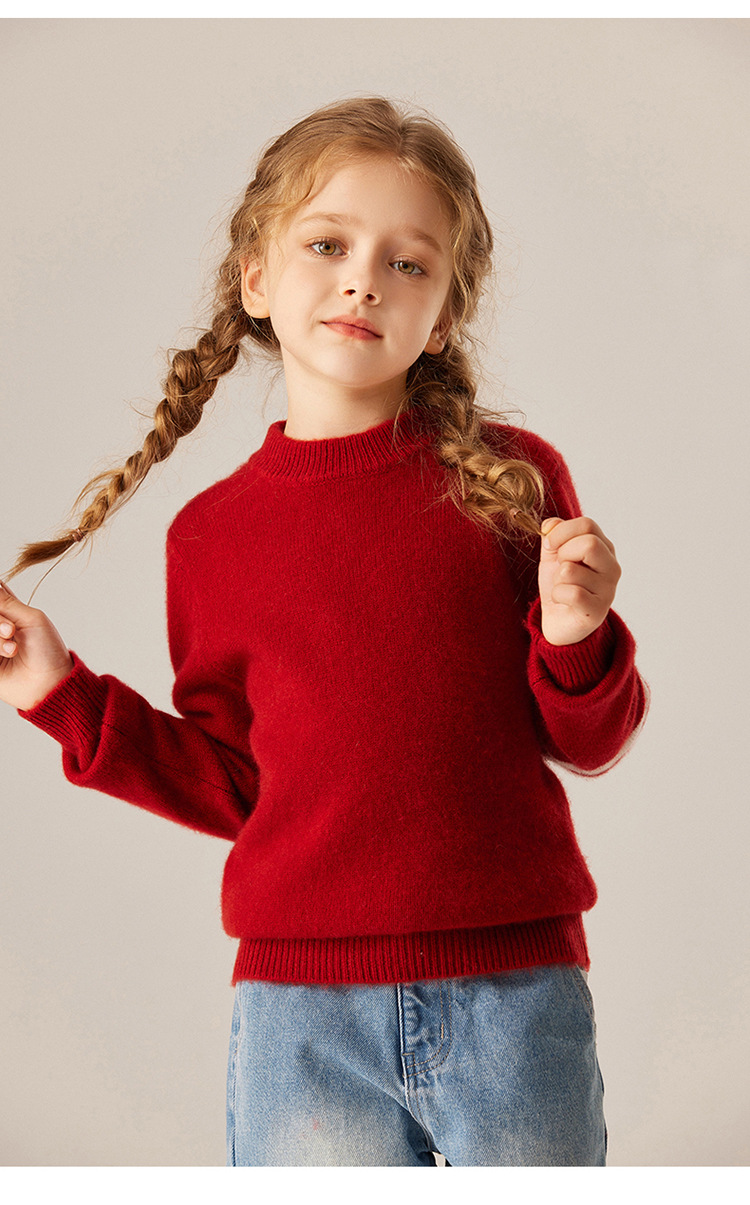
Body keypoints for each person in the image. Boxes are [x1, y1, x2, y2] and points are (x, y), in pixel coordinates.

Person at [0, 96, 647, 1167]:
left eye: (408, 262)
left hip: (515, 991)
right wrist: (60, 694)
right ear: (255, 279)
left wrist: (578, 629)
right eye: (328, 245)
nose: (363, 281)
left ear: (442, 316)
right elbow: (237, 785)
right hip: (301, 1016)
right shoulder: (211, 537)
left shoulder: (512, 481)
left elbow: (590, 739)